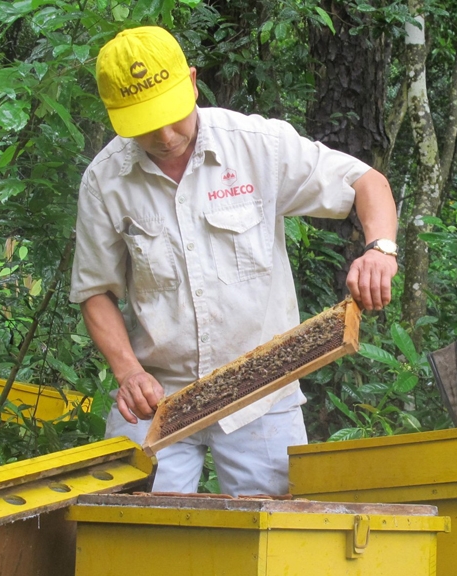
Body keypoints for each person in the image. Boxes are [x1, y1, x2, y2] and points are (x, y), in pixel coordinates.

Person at [70, 26, 399, 496]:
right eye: (145, 125)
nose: (164, 136)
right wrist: (128, 373)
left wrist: (380, 249)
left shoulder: (255, 145)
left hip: (263, 392)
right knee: (125, 537)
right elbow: (94, 289)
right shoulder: (105, 180)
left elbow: (366, 182)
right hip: (159, 398)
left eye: (171, 115)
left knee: (278, 546)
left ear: (193, 81)